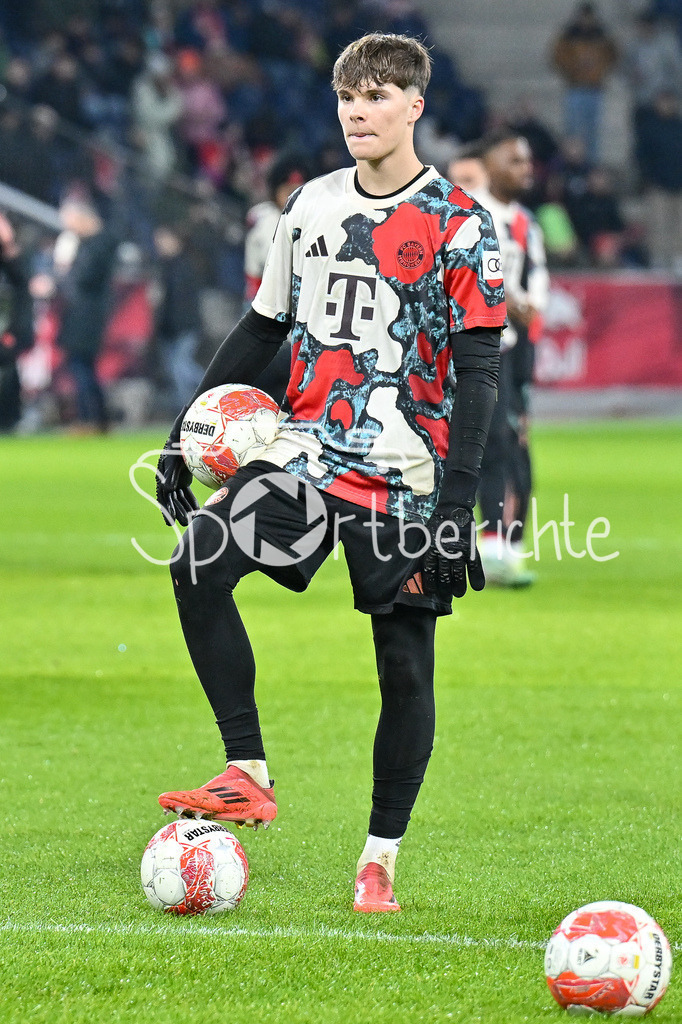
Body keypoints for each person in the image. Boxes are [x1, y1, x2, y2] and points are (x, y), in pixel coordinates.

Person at [154, 33, 506, 913]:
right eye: (349, 95)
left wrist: (458, 507)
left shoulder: (460, 223)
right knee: (198, 563)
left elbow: (480, 376)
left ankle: (379, 855)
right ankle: (246, 769)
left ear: (415, 106)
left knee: (405, 668)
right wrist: (181, 432)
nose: (358, 110)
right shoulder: (309, 206)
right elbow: (262, 329)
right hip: (306, 456)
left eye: (379, 95)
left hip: (408, 476)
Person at [476, 130, 549, 585]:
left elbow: (538, 275)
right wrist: (511, 298)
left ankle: (509, 546)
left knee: (513, 443)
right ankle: (490, 544)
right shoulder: (470, 213)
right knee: (491, 442)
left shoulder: (526, 223)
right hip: (475, 347)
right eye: (515, 161)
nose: (525, 169)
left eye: (526, 161)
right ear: (492, 165)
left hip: (513, 347)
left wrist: (528, 306)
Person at [55, 200, 118, 432]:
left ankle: (88, 420)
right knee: (86, 369)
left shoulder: (96, 245)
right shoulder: (99, 243)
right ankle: (99, 419)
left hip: (85, 317)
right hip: (86, 316)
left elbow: (82, 278)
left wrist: (63, 270)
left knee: (81, 368)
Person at [551, 2, 618, 163]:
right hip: (575, 87)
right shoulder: (569, 36)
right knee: (572, 129)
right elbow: (557, 56)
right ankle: (570, 163)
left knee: (592, 132)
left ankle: (591, 165)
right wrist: (573, 69)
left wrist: (599, 71)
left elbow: (613, 55)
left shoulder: (602, 36)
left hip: (594, 88)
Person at [153, 223, 204, 410]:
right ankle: (185, 408)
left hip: (184, 327)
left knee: (180, 368)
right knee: (176, 370)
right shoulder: (163, 266)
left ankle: (213, 390)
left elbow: (182, 302)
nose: (159, 244)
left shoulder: (184, 265)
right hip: (169, 329)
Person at [0, 213, 33, 432]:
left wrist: (8, 243)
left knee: (9, 368)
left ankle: (9, 419)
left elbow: (20, 280)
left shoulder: (12, 262)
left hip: (8, 325)